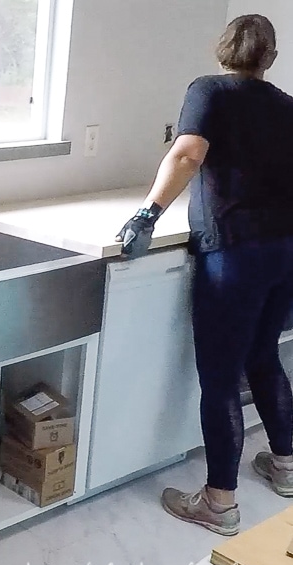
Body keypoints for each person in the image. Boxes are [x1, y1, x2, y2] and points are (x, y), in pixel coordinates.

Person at [117, 14, 293, 536]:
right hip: (285, 251)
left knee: (219, 377)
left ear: (222, 51)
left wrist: (147, 213)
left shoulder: (208, 90)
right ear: (270, 58)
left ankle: (219, 503)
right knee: (263, 356)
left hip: (234, 252)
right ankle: (286, 467)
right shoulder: (287, 106)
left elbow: (189, 152)